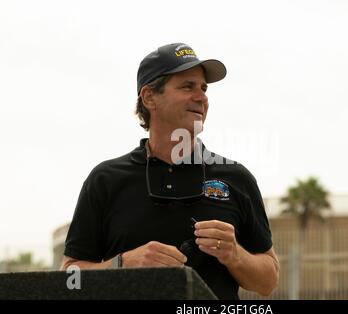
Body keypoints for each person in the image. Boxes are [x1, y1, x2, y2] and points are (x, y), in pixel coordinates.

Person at [61, 43, 279, 300]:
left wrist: (234, 254)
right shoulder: (106, 179)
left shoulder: (236, 178)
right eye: (188, 86)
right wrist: (123, 263)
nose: (201, 97)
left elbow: (269, 281)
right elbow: (69, 279)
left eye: (204, 88)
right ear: (149, 97)